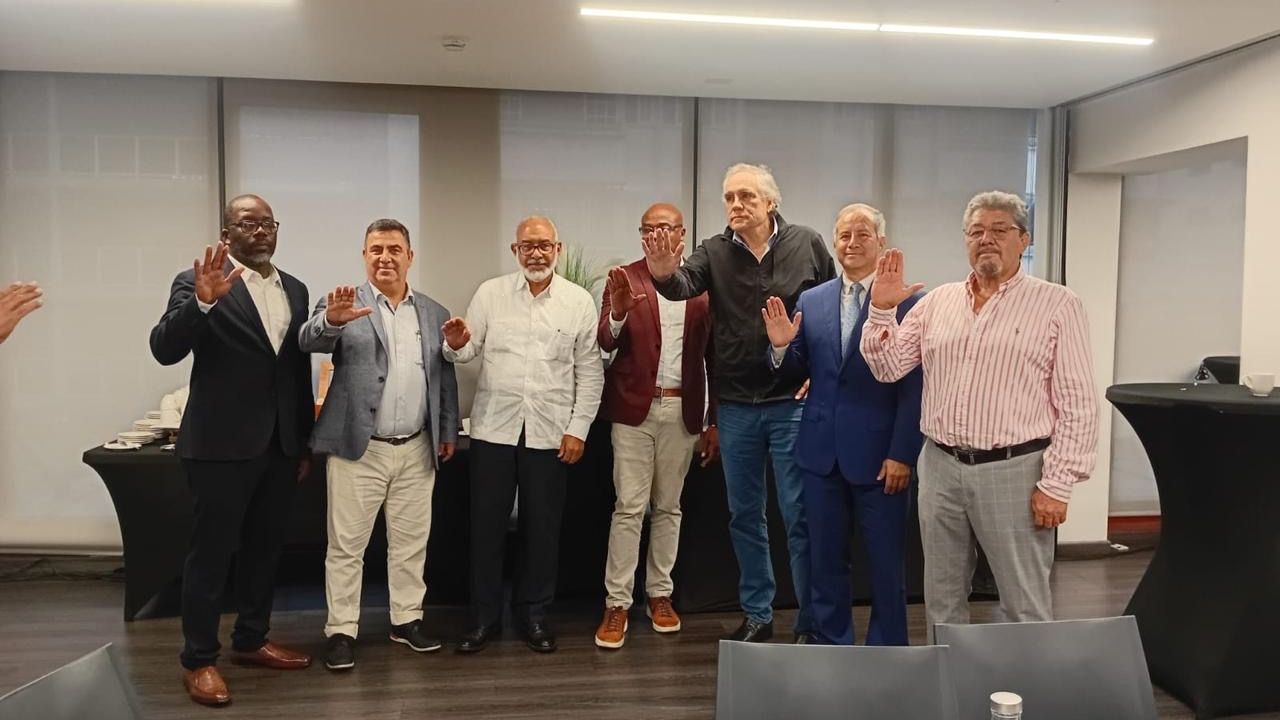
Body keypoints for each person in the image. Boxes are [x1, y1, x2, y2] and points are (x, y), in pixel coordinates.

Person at [860, 190, 1098, 637]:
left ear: (1024, 239)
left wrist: (1058, 484)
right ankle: (949, 677)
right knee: (942, 598)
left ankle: (1029, 681)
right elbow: (888, 367)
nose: (986, 239)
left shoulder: (1058, 304)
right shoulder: (937, 302)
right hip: (940, 467)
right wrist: (882, 311)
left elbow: (1078, 403)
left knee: (1023, 603)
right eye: (976, 231)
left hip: (1015, 471)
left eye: (999, 230)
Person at [643, 163, 836, 643]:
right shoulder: (714, 250)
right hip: (736, 407)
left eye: (746, 196)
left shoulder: (807, 243)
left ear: (771, 202)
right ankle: (757, 615)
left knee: (799, 515)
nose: (736, 205)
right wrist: (662, 271)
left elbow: (829, 310)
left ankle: (811, 621)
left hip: (790, 403)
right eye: (729, 197)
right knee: (745, 516)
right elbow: (681, 285)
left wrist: (820, 374)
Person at [150, 194, 314, 706]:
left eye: (268, 223)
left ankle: (251, 639)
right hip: (219, 445)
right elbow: (164, 348)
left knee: (265, 551)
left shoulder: (296, 288)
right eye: (248, 223)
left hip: (280, 445)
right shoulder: (196, 280)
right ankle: (198, 660)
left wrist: (302, 442)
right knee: (212, 556)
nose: (260, 231)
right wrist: (201, 303)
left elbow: (294, 371)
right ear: (227, 234)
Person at [298, 218, 460, 671]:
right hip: (359, 448)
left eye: (393, 249)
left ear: (410, 257)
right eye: (376, 250)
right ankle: (341, 630)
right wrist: (331, 321)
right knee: (346, 546)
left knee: (410, 543)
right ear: (364, 256)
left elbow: (443, 375)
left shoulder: (434, 312)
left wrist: (447, 430)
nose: (385, 257)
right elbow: (308, 340)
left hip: (416, 447)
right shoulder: (342, 303)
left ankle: (406, 620)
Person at [763, 203, 923, 646]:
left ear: (881, 242)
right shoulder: (812, 300)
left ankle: (888, 650)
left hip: (882, 459)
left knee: (886, 564)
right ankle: (831, 644)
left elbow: (914, 388)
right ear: (834, 243)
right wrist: (781, 348)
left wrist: (902, 453)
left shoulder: (909, 303)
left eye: (862, 234)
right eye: (844, 235)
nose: (852, 243)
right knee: (825, 561)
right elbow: (798, 369)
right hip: (821, 456)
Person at [442, 215, 604, 654]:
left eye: (544, 245)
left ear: (558, 249)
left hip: (551, 434)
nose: (536, 253)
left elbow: (590, 373)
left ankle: (534, 615)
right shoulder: (490, 294)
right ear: (515, 251)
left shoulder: (577, 302)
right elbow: (466, 351)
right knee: (486, 528)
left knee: (542, 530)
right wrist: (455, 343)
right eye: (527, 246)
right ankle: (483, 618)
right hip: (493, 430)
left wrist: (578, 429)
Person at [593, 203, 718, 650]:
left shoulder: (701, 286)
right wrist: (618, 314)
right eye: (649, 228)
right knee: (629, 507)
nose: (658, 235)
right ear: (641, 234)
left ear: (682, 233)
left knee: (669, 507)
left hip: (684, 412)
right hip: (633, 411)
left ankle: (660, 595)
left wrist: (714, 420)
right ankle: (617, 603)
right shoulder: (623, 278)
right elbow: (604, 342)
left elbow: (714, 356)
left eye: (666, 227)